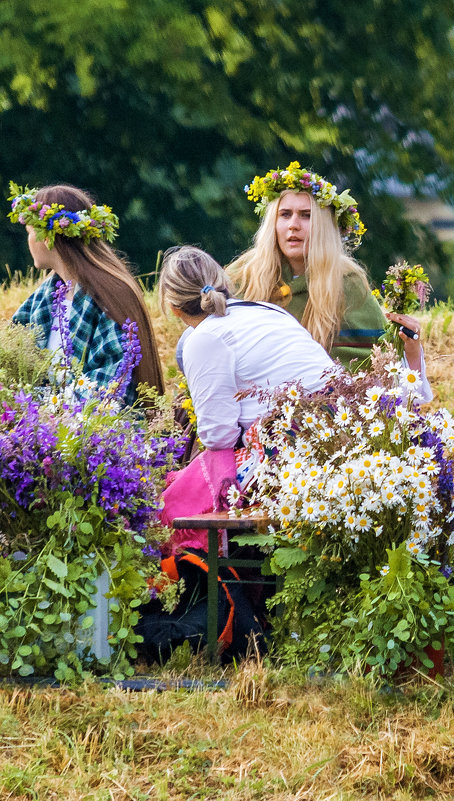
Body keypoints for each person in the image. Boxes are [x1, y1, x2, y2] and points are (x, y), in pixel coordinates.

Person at [157, 245, 339, 550]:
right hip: (342, 427)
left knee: (170, 507)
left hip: (293, 448)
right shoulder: (268, 310)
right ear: (224, 284)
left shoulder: (203, 338)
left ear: (173, 308)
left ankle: (211, 587)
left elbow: (219, 435)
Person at [226, 162, 430, 396]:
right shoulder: (243, 277)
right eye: (285, 215)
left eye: (306, 216)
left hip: (328, 418)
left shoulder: (347, 282)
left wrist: (411, 350)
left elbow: (384, 373)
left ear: (323, 225)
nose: (293, 225)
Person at [7, 183, 164, 405]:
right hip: (46, 431)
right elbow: (10, 356)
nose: (28, 241)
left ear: (47, 236)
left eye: (30, 232)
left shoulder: (109, 297)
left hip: (99, 434)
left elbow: (110, 388)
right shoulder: (44, 297)